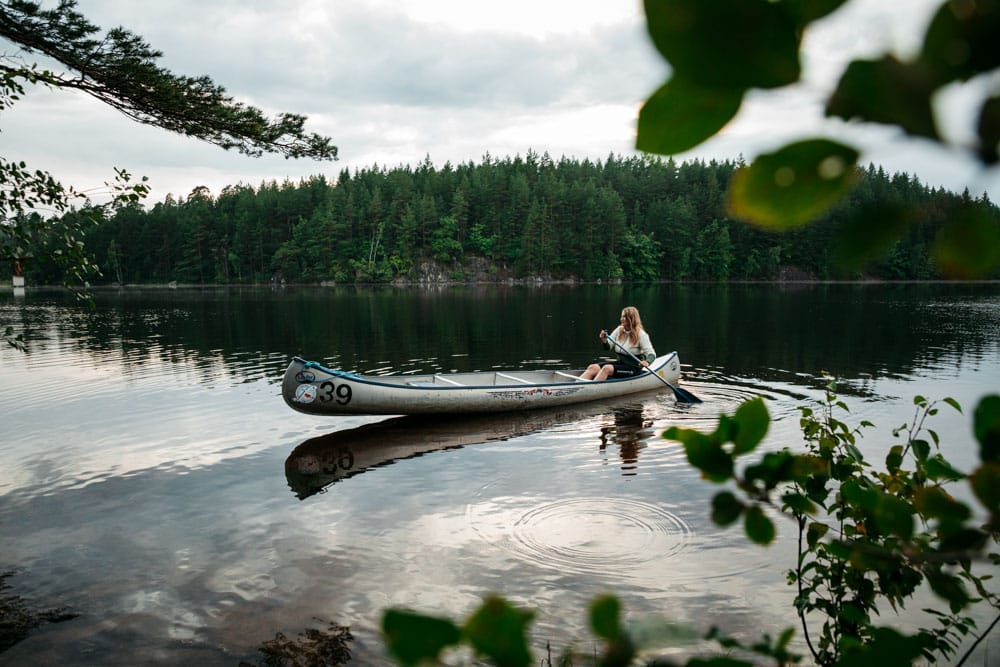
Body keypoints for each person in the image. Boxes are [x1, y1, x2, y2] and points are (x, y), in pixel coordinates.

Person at [579, 306, 656, 381]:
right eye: (621, 316)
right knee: (592, 367)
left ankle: (592, 390)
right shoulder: (619, 330)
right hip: (620, 363)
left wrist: (647, 362)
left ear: (631, 319)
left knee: (607, 368)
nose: (621, 319)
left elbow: (651, 354)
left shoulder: (641, 334)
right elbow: (608, 347)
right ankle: (577, 387)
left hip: (633, 368)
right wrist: (604, 340)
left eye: (624, 317)